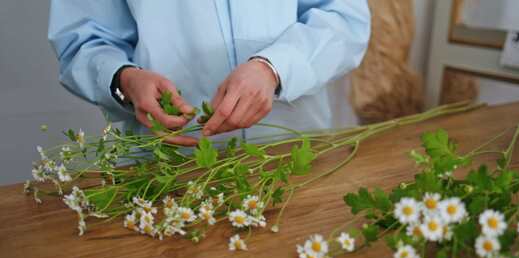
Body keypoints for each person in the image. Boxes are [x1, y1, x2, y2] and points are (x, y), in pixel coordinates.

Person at [48, 1, 370, 146]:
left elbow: (344, 17)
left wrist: (274, 68)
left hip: (293, 151)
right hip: (167, 172)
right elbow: (83, 41)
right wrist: (125, 80)